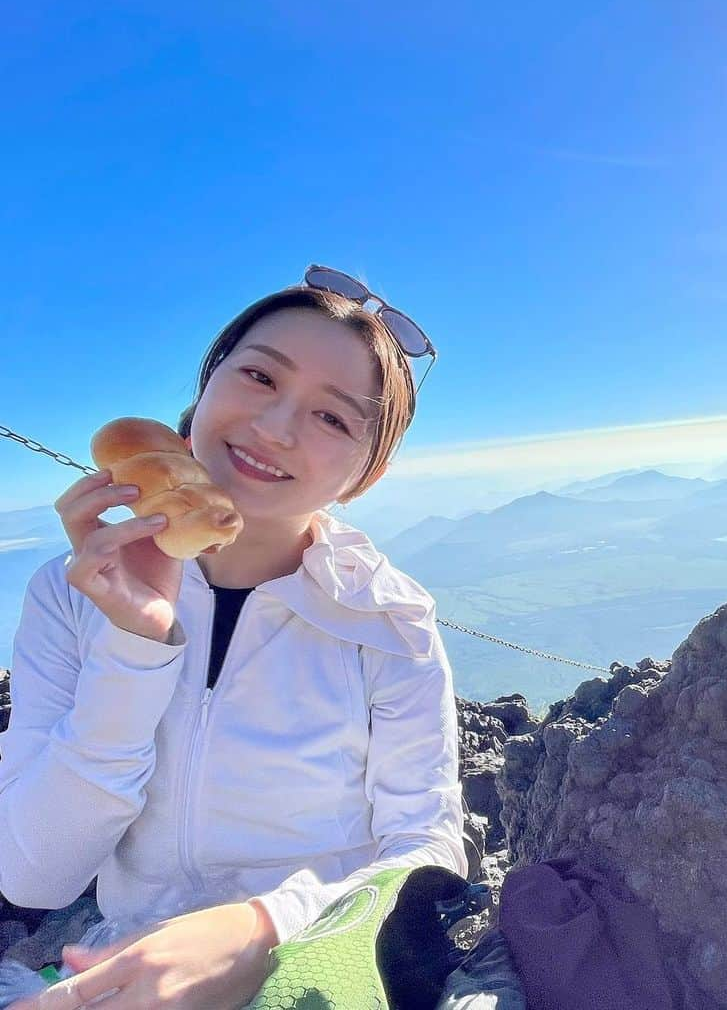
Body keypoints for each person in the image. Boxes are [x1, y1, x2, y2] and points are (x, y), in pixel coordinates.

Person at [0, 266, 468, 1008]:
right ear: (206, 387)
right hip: (124, 970)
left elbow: (427, 851)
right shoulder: (70, 593)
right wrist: (134, 647)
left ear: (363, 476)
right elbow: (33, 875)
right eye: (258, 376)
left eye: (333, 419)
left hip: (316, 970)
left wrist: (260, 931)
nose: (276, 428)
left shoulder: (387, 621)